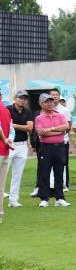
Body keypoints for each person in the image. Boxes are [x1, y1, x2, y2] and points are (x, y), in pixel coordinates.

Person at [34, 93, 71, 208]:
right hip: (46, 147)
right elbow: (41, 132)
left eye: (51, 101)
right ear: (41, 104)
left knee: (59, 173)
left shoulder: (60, 116)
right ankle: (44, 198)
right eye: (46, 102)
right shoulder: (39, 118)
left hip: (60, 147)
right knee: (44, 173)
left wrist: (50, 129)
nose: (50, 103)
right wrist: (58, 131)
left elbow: (66, 127)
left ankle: (60, 198)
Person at [7, 90, 33, 207]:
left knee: (17, 175)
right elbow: (5, 126)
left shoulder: (27, 112)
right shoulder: (7, 109)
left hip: (22, 145)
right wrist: (21, 126)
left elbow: (30, 128)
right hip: (9, 144)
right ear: (15, 98)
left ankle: (13, 200)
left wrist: (14, 125)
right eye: (20, 98)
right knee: (3, 173)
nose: (23, 100)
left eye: (24, 98)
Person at [50, 88, 71, 191]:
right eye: (52, 95)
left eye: (56, 95)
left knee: (62, 163)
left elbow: (68, 126)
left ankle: (63, 185)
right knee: (49, 164)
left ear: (59, 96)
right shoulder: (46, 109)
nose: (54, 96)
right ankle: (51, 185)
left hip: (62, 142)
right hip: (49, 142)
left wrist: (58, 134)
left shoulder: (65, 110)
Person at [0, 91, 14, 222]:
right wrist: (9, 140)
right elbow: (12, 130)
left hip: (3, 147)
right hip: (4, 151)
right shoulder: (6, 110)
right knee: (1, 186)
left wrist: (5, 139)